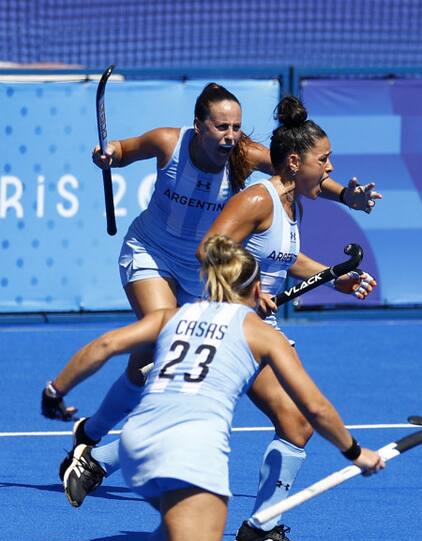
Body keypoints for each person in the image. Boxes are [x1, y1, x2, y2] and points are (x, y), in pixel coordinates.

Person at [42, 234, 382, 541]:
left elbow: (104, 346)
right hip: (191, 449)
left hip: (137, 443)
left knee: (170, 530)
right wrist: (355, 452)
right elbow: (315, 407)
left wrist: (56, 391)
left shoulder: (173, 315)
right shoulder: (261, 332)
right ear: (257, 284)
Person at [49, 82, 381, 507]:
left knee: (164, 376)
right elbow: (125, 149)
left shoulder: (255, 164)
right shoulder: (175, 145)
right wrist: (109, 153)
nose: (231, 136)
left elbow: (300, 184)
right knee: (159, 354)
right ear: (198, 126)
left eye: (237, 127)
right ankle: (100, 450)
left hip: (207, 276)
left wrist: (348, 200)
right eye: (221, 126)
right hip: (157, 254)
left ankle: (93, 441)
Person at [198, 95, 377, 541]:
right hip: (234, 324)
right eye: (325, 160)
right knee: (296, 420)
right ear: (295, 162)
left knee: (291, 422)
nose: (332, 168)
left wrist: (332, 279)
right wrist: (251, 290)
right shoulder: (258, 198)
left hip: (256, 325)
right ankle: (260, 528)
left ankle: (261, 527)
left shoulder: (291, 204)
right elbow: (210, 249)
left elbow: (286, 258)